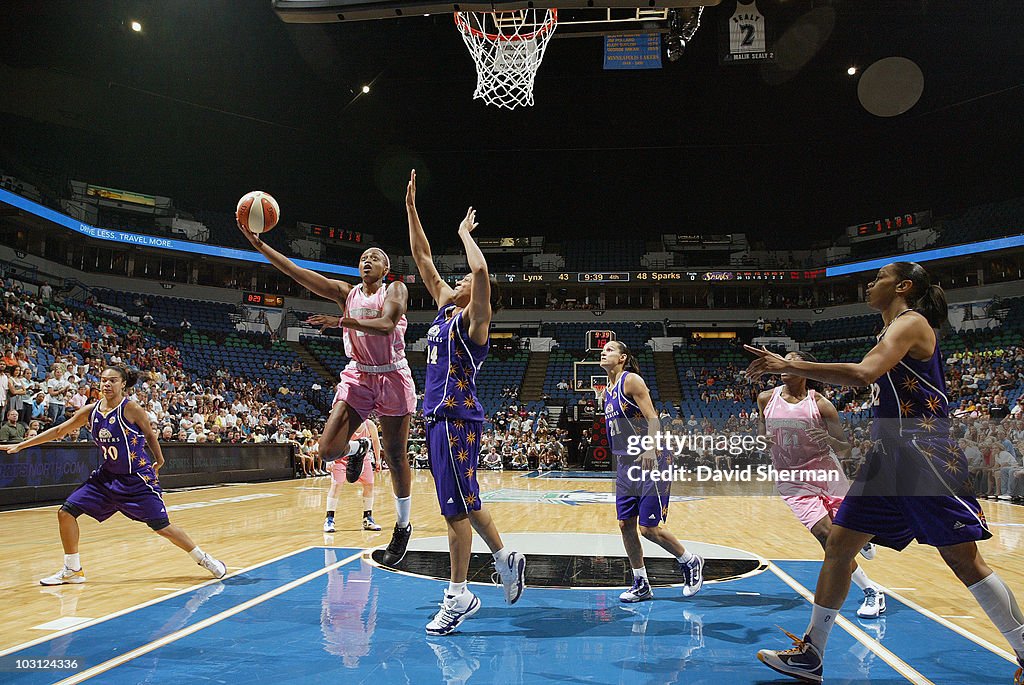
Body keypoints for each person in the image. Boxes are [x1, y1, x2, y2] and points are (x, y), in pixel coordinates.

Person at [747, 262, 1024, 684]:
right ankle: (812, 654)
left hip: (923, 453)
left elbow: (863, 374)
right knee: (839, 547)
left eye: (879, 278)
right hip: (886, 457)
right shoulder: (889, 329)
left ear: (904, 286)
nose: (871, 283)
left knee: (964, 560)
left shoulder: (912, 323)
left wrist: (791, 366)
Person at [238, 216, 415, 566]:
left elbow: (386, 324)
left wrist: (342, 322)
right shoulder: (344, 293)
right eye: (364, 257)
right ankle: (359, 446)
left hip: (393, 374)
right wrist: (260, 245)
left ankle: (403, 527)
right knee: (327, 450)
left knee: (396, 456)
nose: (367, 260)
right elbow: (295, 272)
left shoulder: (394, 290)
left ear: (386, 268)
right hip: (359, 377)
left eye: (375, 257)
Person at [407, 169, 525, 636]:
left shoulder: (475, 325)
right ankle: (504, 556)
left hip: (457, 418)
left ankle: (458, 596)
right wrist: (412, 210)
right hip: (437, 419)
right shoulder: (442, 308)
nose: (453, 281)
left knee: (454, 509)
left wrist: (462, 233)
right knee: (463, 501)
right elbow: (422, 258)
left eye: (461, 283)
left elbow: (479, 270)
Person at [2, 366, 226, 585]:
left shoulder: (131, 409)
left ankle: (203, 559)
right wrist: (22, 445)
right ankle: (72, 570)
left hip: (136, 479)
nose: (106, 384)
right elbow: (60, 430)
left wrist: (160, 459)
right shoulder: (91, 411)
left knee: (162, 526)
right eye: (103, 380)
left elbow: (149, 433)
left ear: (123, 384)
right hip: (107, 478)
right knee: (66, 512)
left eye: (112, 380)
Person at [757, 351, 885, 620]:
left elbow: (845, 447)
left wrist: (828, 438)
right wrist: (762, 441)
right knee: (827, 537)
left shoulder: (822, 405)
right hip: (792, 480)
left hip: (825, 474)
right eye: (783, 359)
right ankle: (872, 591)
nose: (784, 365)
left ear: (805, 369)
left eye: (792, 360)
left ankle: (862, 538)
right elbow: (761, 432)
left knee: (845, 535)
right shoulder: (766, 398)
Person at [599, 340, 703, 603]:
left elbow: (653, 419)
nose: (604, 352)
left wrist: (649, 449)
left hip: (651, 458)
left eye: (610, 349)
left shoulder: (631, 381)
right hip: (626, 464)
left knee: (648, 528)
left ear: (623, 357)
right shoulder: (606, 392)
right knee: (625, 525)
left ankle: (689, 561)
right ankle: (640, 582)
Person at [324, 419, 383, 533]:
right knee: (336, 485)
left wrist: (378, 460)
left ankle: (368, 518)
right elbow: (331, 439)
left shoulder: (369, 425)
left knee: (369, 485)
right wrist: (328, 459)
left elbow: (376, 441)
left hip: (362, 458)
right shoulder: (344, 422)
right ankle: (329, 519)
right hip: (340, 458)